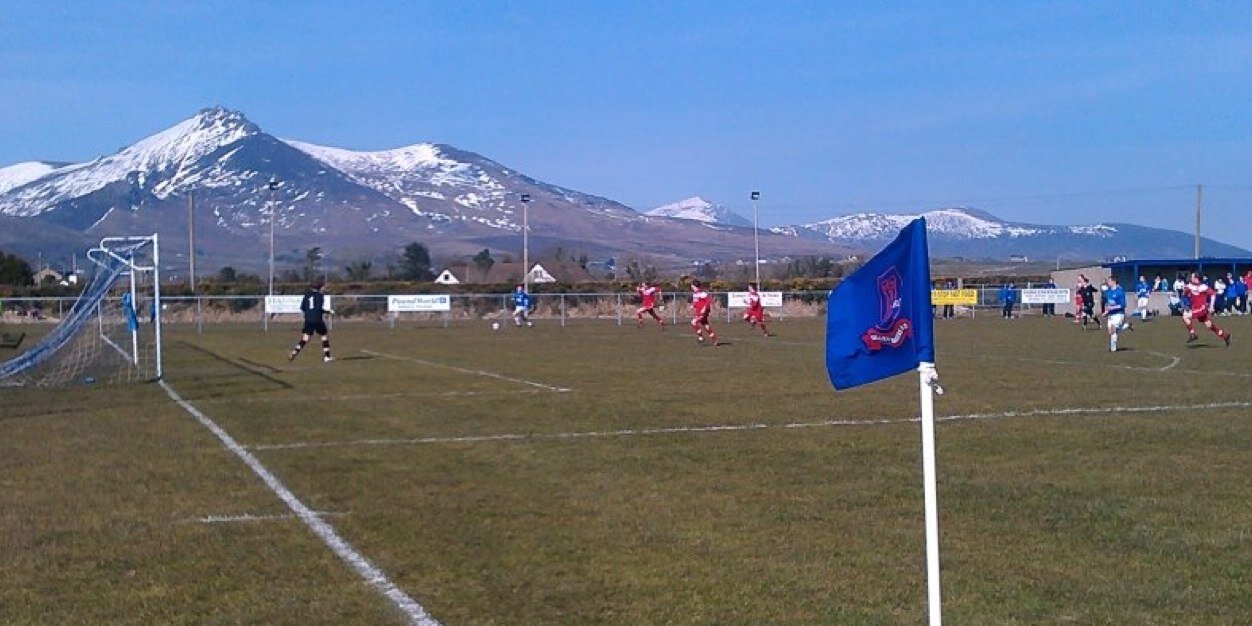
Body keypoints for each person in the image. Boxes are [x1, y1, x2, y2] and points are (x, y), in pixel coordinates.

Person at [288, 280, 334, 363]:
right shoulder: (320, 296)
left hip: (308, 320)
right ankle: (327, 357)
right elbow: (319, 309)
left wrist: (309, 313)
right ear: (319, 288)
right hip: (317, 319)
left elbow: (302, 308)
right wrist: (329, 311)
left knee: (305, 338)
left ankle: (295, 351)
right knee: (324, 336)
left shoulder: (306, 295)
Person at [1181, 272, 1231, 346]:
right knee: (1208, 325)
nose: (1191, 278)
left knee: (1185, 316)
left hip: (1201, 308)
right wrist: (1185, 291)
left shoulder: (1203, 287)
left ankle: (1192, 334)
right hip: (1197, 309)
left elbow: (1213, 294)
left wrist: (1211, 306)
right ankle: (1224, 335)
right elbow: (1184, 293)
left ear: (1196, 279)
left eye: (1192, 277)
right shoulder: (1190, 286)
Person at [1104, 276, 1130, 352]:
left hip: (1119, 314)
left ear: (1113, 282)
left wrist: (1113, 307)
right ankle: (1126, 325)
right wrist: (1106, 311)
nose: (1108, 283)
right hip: (1111, 314)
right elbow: (1108, 303)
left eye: (1109, 281)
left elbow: (1123, 305)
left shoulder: (1120, 292)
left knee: (1113, 330)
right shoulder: (1108, 292)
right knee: (1111, 332)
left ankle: (1113, 349)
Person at [690, 279, 718, 346]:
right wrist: (692, 306)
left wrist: (704, 308)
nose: (691, 287)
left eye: (692, 286)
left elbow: (709, 301)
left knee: (693, 322)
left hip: (703, 312)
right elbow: (696, 302)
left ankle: (701, 337)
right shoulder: (694, 294)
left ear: (695, 286)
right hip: (698, 312)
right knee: (706, 325)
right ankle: (714, 339)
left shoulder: (702, 293)